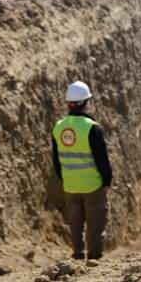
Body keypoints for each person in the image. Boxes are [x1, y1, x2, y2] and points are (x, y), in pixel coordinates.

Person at [52, 81, 112, 261]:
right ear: (86, 102)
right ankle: (93, 259)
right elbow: (102, 160)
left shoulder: (59, 127)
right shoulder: (92, 128)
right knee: (95, 224)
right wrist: (107, 181)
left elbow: (56, 159)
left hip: (70, 184)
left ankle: (77, 255)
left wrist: (64, 179)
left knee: (75, 223)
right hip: (92, 185)